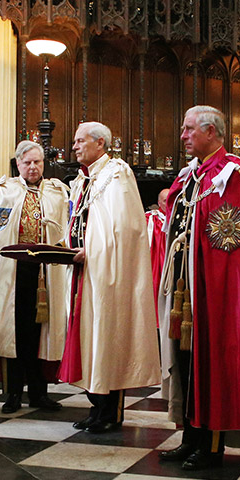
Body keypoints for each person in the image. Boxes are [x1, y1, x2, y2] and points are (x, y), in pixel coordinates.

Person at [158, 106, 240, 469]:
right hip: (187, 287)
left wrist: (221, 291)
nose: (183, 136)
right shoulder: (193, 174)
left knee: (212, 363)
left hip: (216, 290)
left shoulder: (233, 173)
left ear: (211, 132)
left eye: (189, 130)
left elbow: (232, 241)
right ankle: (191, 436)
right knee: (186, 363)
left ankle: (212, 445)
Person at [61, 121, 160, 432]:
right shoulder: (84, 180)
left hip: (108, 272)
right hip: (83, 271)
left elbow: (124, 227)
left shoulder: (117, 174)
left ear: (100, 143)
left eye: (80, 141)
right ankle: (96, 405)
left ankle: (111, 412)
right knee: (89, 337)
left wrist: (91, 250)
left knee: (107, 335)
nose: (74, 146)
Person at [0, 140, 69, 413]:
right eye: (27, 163)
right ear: (18, 165)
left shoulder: (57, 193)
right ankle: (12, 393)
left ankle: (39, 393)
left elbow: (64, 233)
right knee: (14, 333)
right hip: (12, 273)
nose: (33, 167)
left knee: (40, 335)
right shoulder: (4, 192)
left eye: (37, 162)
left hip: (47, 274)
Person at [146, 188, 169, 322]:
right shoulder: (150, 219)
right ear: (159, 203)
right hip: (155, 266)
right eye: (166, 201)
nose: (169, 203)